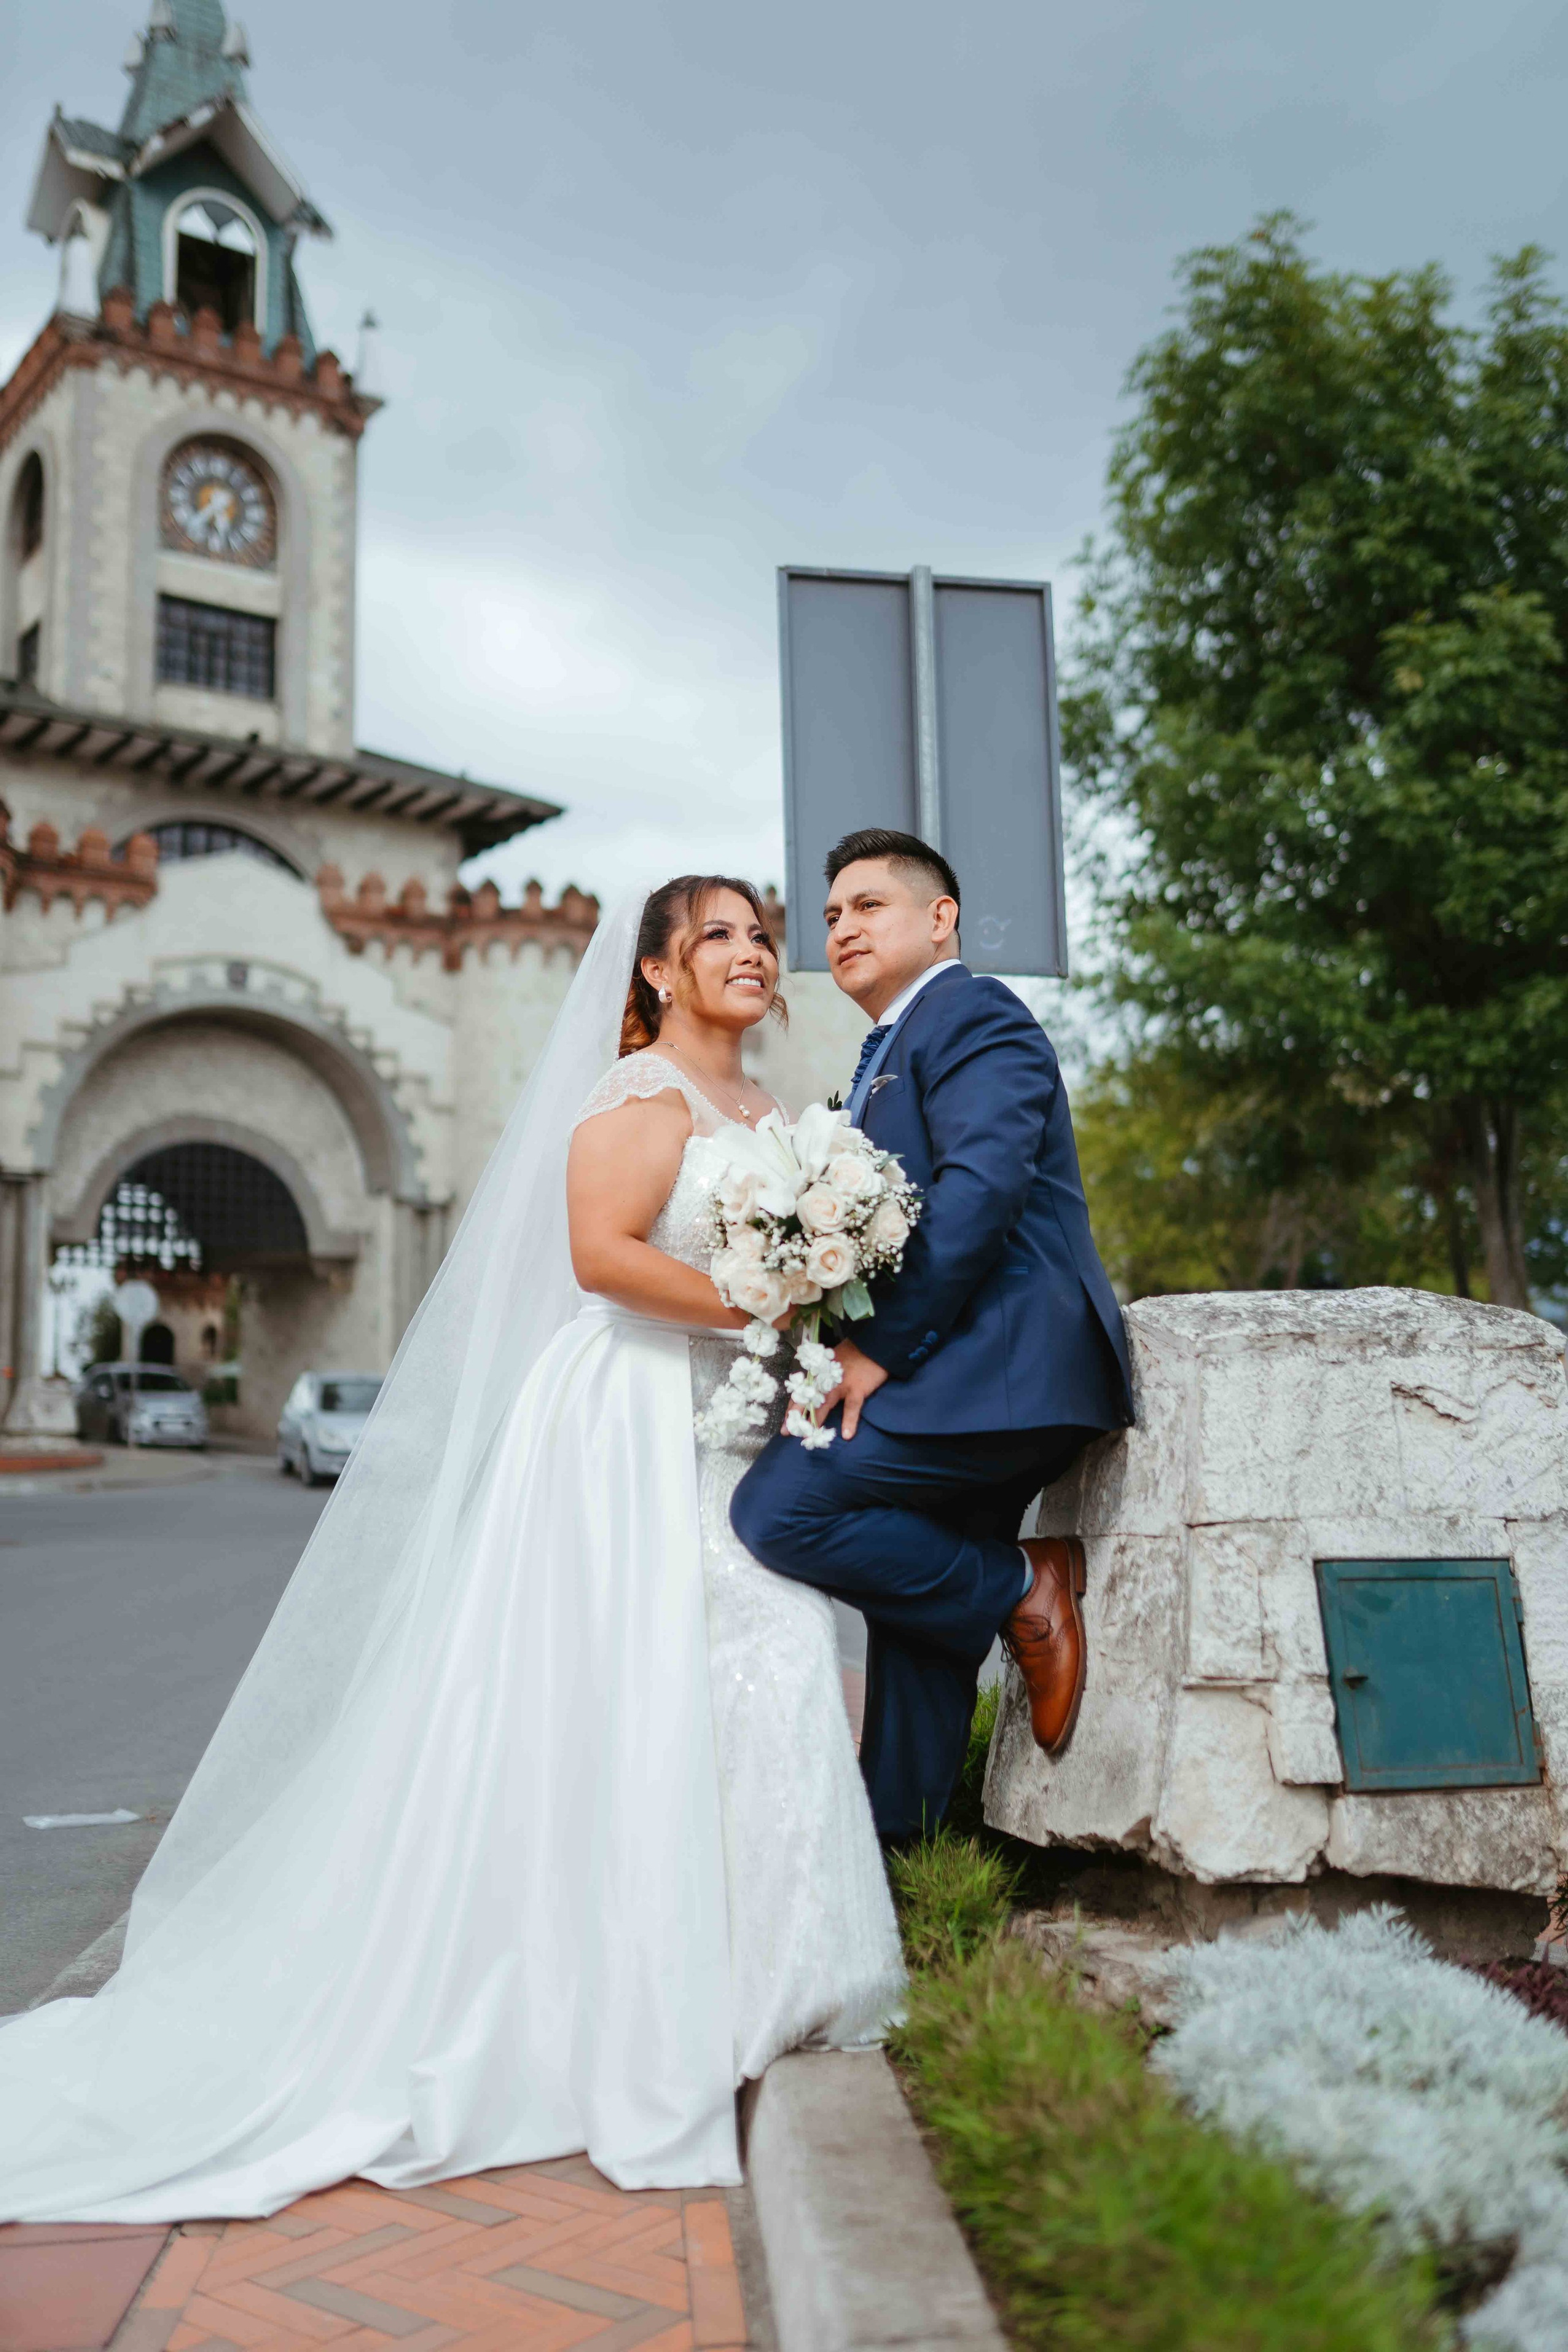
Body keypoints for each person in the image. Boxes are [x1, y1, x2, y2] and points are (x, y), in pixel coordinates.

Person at [0, 877, 902, 2222]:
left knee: (757, 1655)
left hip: (727, 1428)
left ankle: (768, 1981)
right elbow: (599, 1257)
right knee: (635, 1680)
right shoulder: (635, 1098)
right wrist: (760, 1296)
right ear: (654, 973)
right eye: (715, 934)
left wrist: (813, 1319)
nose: (753, 952)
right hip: (624, 1423)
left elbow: (808, 1282)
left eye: (761, 934)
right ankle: (618, 1995)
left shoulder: (787, 1123)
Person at [732, 827, 1133, 1843]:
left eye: (869, 906)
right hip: (968, 1367)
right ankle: (906, 1871)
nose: (841, 929)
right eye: (831, 916)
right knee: (914, 1631)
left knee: (783, 1507)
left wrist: (878, 1349)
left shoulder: (974, 1013)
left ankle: (1021, 1587)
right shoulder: (887, 1050)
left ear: (940, 918)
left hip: (1005, 1362)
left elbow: (981, 1194)